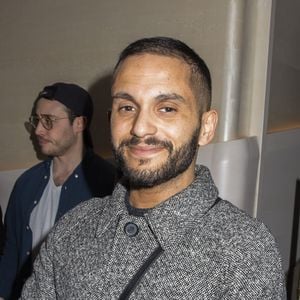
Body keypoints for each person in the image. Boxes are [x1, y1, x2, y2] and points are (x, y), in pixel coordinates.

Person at [21, 38, 286, 299]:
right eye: (127, 107)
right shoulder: (72, 228)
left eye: (167, 108)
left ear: (205, 127)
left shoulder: (245, 250)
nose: (140, 127)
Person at [0, 82, 117, 300]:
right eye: (36, 120)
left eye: (49, 121)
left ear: (79, 123)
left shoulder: (108, 184)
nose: (38, 130)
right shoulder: (26, 183)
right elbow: (11, 251)